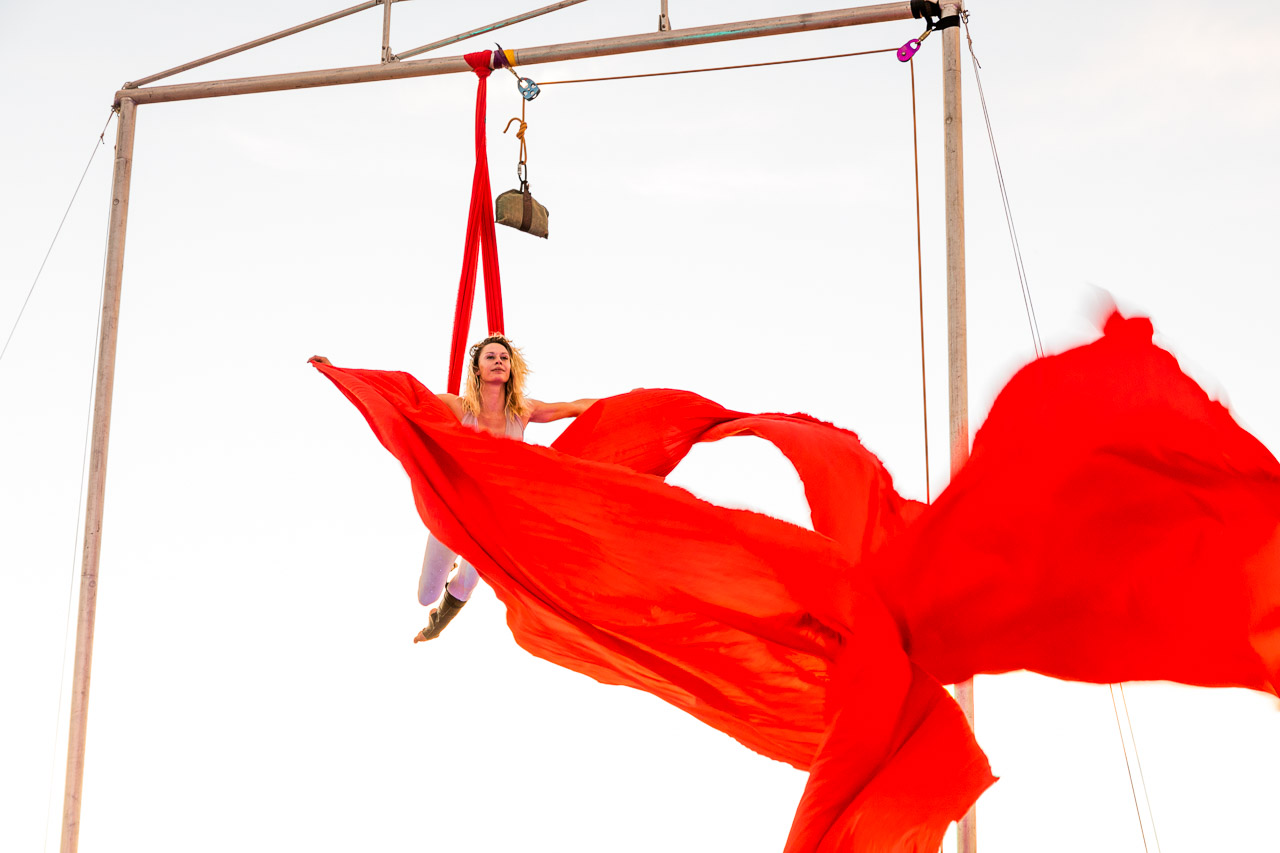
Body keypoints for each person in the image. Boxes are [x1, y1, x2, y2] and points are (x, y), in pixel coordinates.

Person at [416, 334, 596, 642]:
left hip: (491, 521)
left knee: (464, 586)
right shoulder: (457, 407)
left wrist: (626, 402)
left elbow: (575, 408)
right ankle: (436, 601)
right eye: (490, 357)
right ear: (476, 370)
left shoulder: (522, 411)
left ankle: (435, 626)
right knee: (426, 595)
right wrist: (342, 372)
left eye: (503, 357)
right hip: (453, 510)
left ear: (511, 369)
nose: (499, 361)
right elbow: (402, 397)